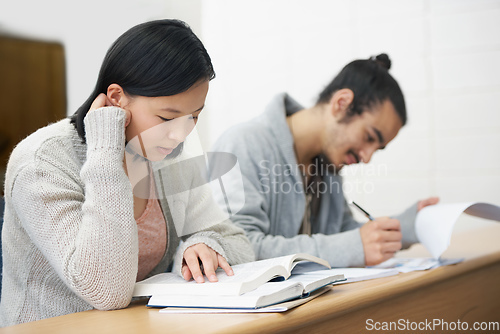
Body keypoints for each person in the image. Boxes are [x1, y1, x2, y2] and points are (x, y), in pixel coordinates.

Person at [0, 19, 254, 326]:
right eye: (167, 117)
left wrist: (203, 244)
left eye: (194, 117)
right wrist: (106, 151)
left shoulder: (167, 155)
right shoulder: (41, 163)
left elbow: (240, 243)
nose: (180, 135)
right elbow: (106, 291)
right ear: (117, 98)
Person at [209, 53, 438, 268]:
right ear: (341, 104)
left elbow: (344, 234)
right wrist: (353, 247)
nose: (366, 157)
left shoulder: (328, 165)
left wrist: (409, 226)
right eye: (369, 137)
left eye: (377, 149)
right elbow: (238, 249)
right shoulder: (242, 144)